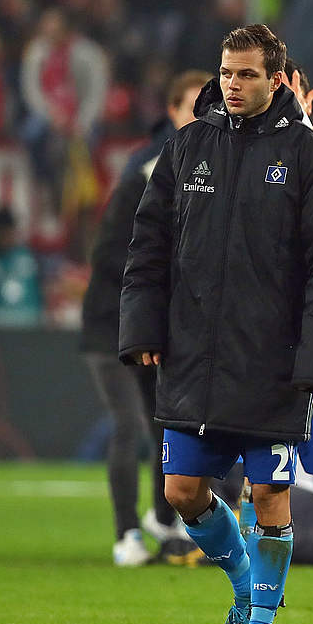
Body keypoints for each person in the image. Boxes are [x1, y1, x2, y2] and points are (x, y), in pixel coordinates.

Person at [119, 24, 313, 624]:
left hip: (272, 366)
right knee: (182, 492)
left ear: (277, 80)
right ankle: (247, 585)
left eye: (247, 74)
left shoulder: (310, 159)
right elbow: (148, 251)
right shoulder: (188, 146)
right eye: (226, 72)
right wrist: (142, 329)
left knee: (270, 498)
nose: (233, 84)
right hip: (194, 360)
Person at [82, 69, 210, 567]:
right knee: (130, 424)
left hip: (152, 321)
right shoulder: (153, 167)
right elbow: (121, 254)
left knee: (165, 423)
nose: (204, 115)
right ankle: (127, 533)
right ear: (173, 111)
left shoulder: (197, 163)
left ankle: (164, 522)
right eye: (193, 106)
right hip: (114, 318)